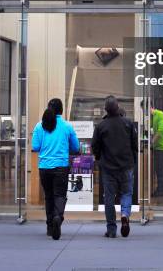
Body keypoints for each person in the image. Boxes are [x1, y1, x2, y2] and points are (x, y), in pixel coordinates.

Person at [32, 98, 80, 239]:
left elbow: (35, 147)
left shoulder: (39, 126)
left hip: (44, 167)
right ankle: (58, 217)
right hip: (61, 167)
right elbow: (76, 147)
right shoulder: (67, 127)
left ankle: (49, 227)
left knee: (48, 196)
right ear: (62, 110)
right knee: (59, 195)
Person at [91, 95, 138, 238]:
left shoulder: (101, 126)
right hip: (126, 165)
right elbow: (135, 145)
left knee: (109, 198)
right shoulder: (128, 123)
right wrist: (133, 160)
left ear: (105, 110)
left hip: (108, 167)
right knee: (126, 193)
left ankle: (111, 229)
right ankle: (124, 215)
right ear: (118, 107)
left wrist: (99, 158)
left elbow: (95, 146)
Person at [151, 105, 163, 197]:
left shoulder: (160, 114)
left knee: (161, 169)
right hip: (158, 146)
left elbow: (160, 131)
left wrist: (152, 142)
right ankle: (160, 189)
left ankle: (162, 191)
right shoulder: (153, 116)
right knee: (159, 169)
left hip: (162, 146)